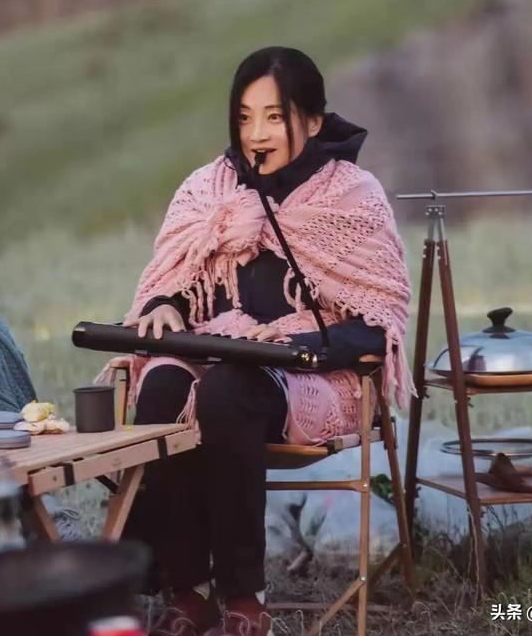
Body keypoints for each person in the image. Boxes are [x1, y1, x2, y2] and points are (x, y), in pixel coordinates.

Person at [117, 47, 413, 636]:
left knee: (227, 392)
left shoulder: (353, 195)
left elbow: (377, 322)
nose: (256, 134)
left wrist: (298, 338)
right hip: (217, 357)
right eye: (245, 117)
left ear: (313, 120)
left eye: (274, 117)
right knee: (163, 385)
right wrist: (165, 307)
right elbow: (176, 280)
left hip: (320, 374)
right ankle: (188, 589)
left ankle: (244, 598)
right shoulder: (207, 189)